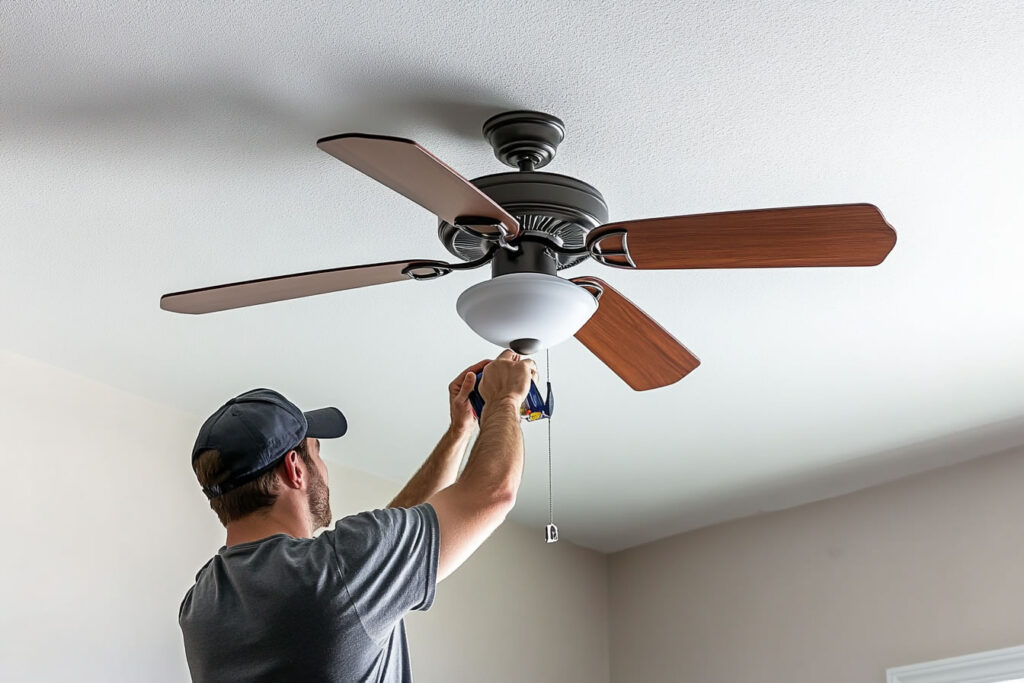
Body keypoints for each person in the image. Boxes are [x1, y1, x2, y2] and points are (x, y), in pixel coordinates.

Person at [179, 349, 536, 682]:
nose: (323, 465)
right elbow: (493, 493)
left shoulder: (200, 606)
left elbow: (389, 542)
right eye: (316, 452)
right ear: (295, 469)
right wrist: (504, 400)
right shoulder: (337, 571)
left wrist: (460, 433)